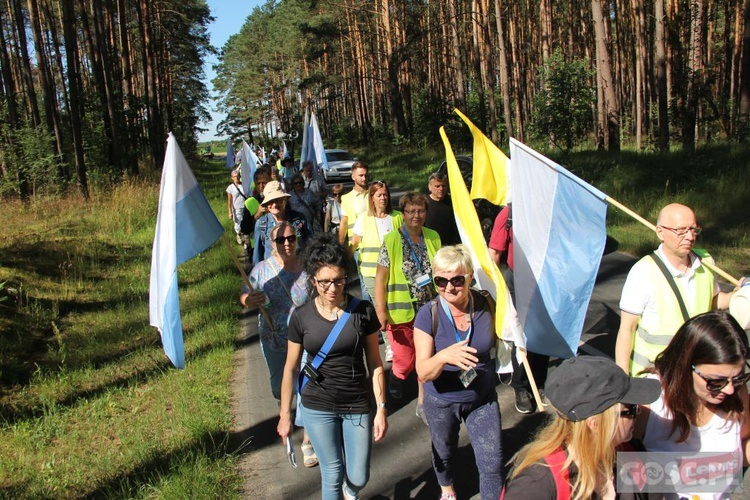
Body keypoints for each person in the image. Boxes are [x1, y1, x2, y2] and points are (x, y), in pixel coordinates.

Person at [278, 233, 387, 500]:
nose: (332, 288)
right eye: (324, 282)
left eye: (338, 280)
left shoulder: (363, 311)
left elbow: (375, 362)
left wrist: (381, 409)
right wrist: (285, 415)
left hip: (356, 404)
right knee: (331, 472)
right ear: (313, 280)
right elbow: (291, 368)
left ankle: (351, 491)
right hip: (317, 404)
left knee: (359, 475)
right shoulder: (301, 317)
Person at [413, 245, 504, 500]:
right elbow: (423, 371)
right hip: (442, 400)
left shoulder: (486, 303)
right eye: (441, 281)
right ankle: (447, 490)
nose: (449, 287)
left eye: (457, 280)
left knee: (492, 463)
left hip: (482, 398)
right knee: (444, 452)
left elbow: (506, 332)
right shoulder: (427, 315)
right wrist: (443, 357)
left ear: (470, 276)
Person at [503, 356, 661, 500]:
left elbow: (671, 482)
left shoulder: (633, 452)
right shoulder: (537, 483)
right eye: (631, 409)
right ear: (595, 424)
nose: (639, 412)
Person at [634, 311, 750, 499]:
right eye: (716, 381)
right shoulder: (651, 401)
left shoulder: (737, 394)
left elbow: (742, 444)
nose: (729, 389)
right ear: (686, 365)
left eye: (738, 378)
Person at [615, 203, 736, 375]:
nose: (689, 236)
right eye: (680, 230)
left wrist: (739, 295)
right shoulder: (643, 271)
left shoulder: (706, 262)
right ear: (660, 232)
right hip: (654, 377)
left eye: (693, 229)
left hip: (695, 372)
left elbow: (714, 301)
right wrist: (622, 381)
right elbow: (627, 329)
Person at [239, 222, 318, 467]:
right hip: (274, 339)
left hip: (306, 341)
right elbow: (244, 294)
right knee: (279, 386)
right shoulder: (262, 270)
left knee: (307, 388)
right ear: (272, 244)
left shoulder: (308, 268)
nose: (287, 244)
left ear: (297, 240)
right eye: (281, 240)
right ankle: (285, 403)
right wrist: (248, 299)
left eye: (291, 239)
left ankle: (308, 441)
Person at [374, 192, 441, 421]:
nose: (416, 216)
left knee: (426, 355)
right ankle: (396, 377)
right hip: (400, 313)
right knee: (404, 361)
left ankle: (423, 401)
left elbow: (440, 270)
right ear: (402, 214)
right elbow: (380, 279)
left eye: (421, 211)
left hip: (429, 310)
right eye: (411, 211)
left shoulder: (433, 237)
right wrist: (380, 310)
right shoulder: (392, 240)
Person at [488, 203, 549, 414]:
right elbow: (494, 253)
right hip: (517, 281)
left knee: (542, 334)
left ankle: (539, 383)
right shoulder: (509, 213)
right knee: (520, 334)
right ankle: (521, 387)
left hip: (544, 280)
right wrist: (496, 291)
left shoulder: (547, 206)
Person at [349, 180, 403, 302]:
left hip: (394, 271)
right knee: (378, 304)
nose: (383, 198)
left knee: (391, 304)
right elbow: (354, 244)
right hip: (371, 271)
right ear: (372, 198)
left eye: (385, 195)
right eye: (379, 195)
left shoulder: (398, 217)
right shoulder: (363, 218)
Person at [252, 180, 311, 266]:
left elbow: (310, 245)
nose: (274, 204)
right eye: (270, 201)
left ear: (285, 200)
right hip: (273, 274)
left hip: (297, 271)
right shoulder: (261, 224)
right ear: (266, 204)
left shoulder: (299, 219)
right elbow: (257, 255)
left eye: (278, 200)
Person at [424, 172, 461, 246]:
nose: (441, 189)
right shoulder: (424, 204)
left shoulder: (453, 202)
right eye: (437, 186)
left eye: (443, 186)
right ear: (430, 187)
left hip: (452, 246)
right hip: (432, 245)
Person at [226, 168, 249, 246]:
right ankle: (239, 234)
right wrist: (230, 212)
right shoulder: (230, 188)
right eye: (235, 176)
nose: (237, 177)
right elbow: (229, 201)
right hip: (236, 208)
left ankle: (246, 239)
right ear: (232, 178)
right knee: (238, 224)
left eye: (238, 176)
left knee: (245, 223)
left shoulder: (244, 185)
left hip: (245, 207)